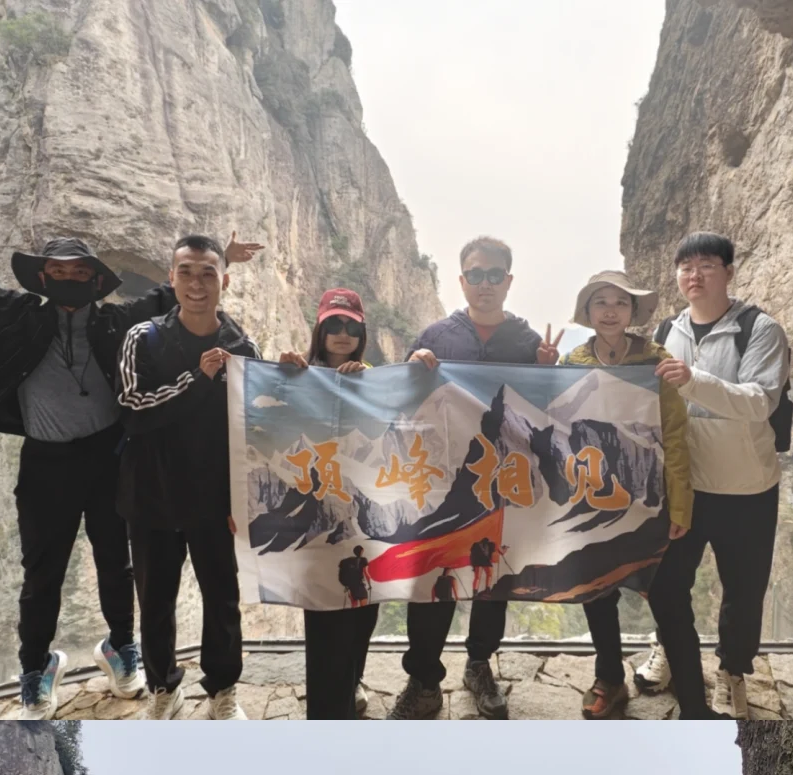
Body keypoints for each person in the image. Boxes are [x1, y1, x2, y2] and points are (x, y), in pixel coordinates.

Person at [0, 213, 261, 718]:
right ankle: (35, 669)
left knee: (118, 565)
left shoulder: (114, 321)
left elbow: (185, 291)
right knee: (42, 572)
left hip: (107, 457)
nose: (68, 279)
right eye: (58, 271)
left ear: (96, 280)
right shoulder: (14, 312)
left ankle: (122, 648)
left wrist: (224, 258)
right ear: (42, 277)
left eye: (79, 272)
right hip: (45, 461)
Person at [390, 236, 560, 719]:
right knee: (434, 578)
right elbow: (402, 402)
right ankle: (424, 678)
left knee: (492, 579)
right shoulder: (436, 337)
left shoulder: (527, 342)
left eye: (494, 275)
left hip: (500, 481)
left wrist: (547, 372)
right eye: (476, 274)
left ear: (508, 281)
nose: (485, 284)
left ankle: (479, 664)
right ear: (462, 280)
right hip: (443, 481)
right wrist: (410, 368)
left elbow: (545, 414)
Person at [636, 232, 791, 720]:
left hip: (746, 488)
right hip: (683, 487)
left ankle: (732, 671)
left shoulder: (760, 329)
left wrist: (693, 380)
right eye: (685, 267)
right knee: (667, 582)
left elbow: (760, 401)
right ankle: (669, 648)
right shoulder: (667, 330)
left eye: (706, 265)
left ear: (728, 271)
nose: (694, 275)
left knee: (743, 590)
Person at [117, 234, 260, 719]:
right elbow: (132, 408)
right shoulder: (143, 337)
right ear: (171, 277)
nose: (197, 284)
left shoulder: (242, 346)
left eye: (207, 274)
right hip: (151, 494)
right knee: (155, 600)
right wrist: (196, 379)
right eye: (186, 272)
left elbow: (254, 422)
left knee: (222, 597)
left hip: (214, 497)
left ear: (224, 280)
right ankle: (163, 687)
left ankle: (223, 690)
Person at [560, 272, 693, 719]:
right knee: (598, 590)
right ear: (589, 312)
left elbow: (674, 433)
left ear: (633, 311)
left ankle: (684, 677)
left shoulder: (655, 361)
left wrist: (680, 503)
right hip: (592, 492)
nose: (611, 310)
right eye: (601, 302)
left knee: (664, 589)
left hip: (648, 493)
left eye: (620, 302)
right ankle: (610, 678)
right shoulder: (572, 362)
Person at [278, 289, 380, 719]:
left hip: (365, 514)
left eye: (351, 327)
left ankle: (351, 682)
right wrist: (282, 374)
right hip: (315, 515)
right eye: (333, 325)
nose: (342, 334)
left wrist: (367, 384)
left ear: (362, 334)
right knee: (322, 611)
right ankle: (325, 709)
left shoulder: (374, 378)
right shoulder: (299, 374)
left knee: (363, 607)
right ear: (318, 331)